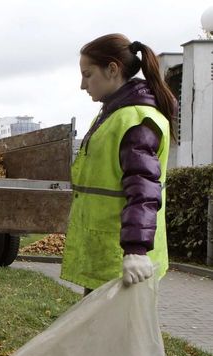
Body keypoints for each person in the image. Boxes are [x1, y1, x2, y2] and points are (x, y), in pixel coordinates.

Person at [60, 34, 177, 294]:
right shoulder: (112, 117)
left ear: (112, 69)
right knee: (102, 335)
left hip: (127, 264)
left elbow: (143, 189)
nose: (82, 84)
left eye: (87, 74)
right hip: (111, 260)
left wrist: (136, 250)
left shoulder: (135, 122)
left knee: (116, 335)